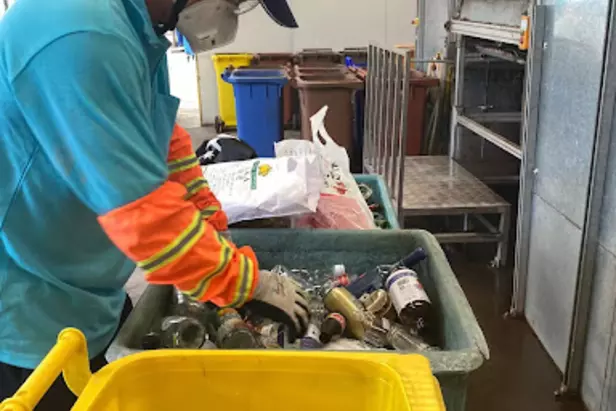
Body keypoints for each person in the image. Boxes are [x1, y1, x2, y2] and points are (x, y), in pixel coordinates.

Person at [0, 0, 308, 408]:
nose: (229, 14)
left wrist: (213, 228)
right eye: (233, 0)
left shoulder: (136, 28)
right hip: (30, 311)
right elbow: (141, 211)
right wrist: (242, 283)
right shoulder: (80, 35)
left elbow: (164, 141)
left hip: (88, 287)